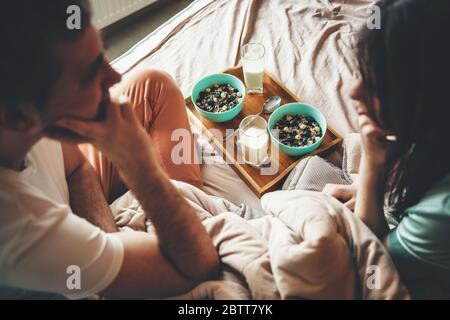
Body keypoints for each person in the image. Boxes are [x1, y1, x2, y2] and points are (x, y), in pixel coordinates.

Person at [0, 0, 219, 299]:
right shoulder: (19, 228)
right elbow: (200, 265)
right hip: (60, 253)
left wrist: (108, 240)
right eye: (90, 74)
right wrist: (138, 164)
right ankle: (187, 223)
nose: (114, 77)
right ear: (22, 118)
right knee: (191, 252)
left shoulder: (22, 119)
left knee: (152, 84)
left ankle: (189, 208)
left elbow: (75, 168)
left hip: (72, 204)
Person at [323, 0, 450, 298]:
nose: (354, 91)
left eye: (377, 85)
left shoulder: (440, 212)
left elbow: (374, 266)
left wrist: (370, 166)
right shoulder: (436, 124)